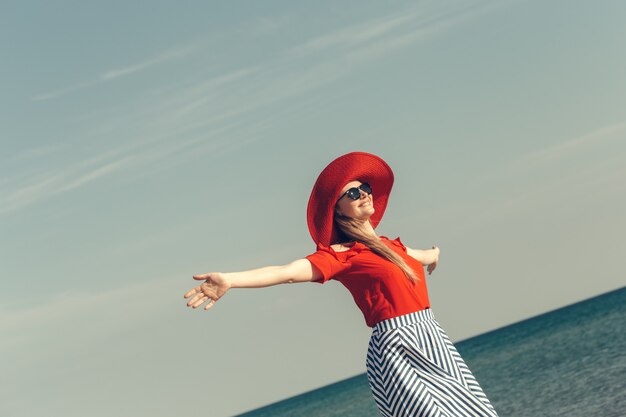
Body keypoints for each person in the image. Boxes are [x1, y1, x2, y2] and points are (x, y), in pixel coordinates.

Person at [184, 152, 499, 417]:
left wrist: (435, 254)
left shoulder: (393, 247)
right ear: (337, 209)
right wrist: (231, 280)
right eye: (352, 192)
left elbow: (422, 255)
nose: (363, 193)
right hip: (398, 348)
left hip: (432, 340)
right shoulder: (342, 255)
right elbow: (289, 271)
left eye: (364, 187)